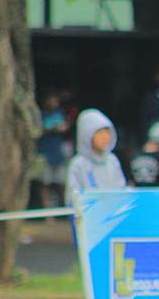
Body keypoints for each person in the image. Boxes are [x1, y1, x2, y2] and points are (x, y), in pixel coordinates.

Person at [66, 109, 128, 205]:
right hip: (89, 216)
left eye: (107, 132)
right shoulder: (78, 163)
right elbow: (73, 196)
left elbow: (121, 188)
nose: (105, 137)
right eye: (99, 133)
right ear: (87, 135)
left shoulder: (112, 160)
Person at [35, 90, 69, 221]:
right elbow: (36, 131)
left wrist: (63, 128)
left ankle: (67, 211)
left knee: (62, 183)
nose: (54, 103)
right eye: (51, 100)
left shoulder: (60, 113)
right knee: (45, 184)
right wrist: (51, 129)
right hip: (44, 153)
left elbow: (66, 126)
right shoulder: (40, 115)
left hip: (58, 153)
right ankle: (48, 215)